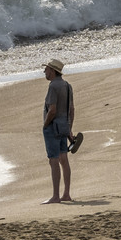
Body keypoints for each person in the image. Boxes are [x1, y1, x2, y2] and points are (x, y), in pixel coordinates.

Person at [41, 58, 76, 203]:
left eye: (47, 69)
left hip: (53, 127)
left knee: (53, 160)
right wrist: (69, 128)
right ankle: (66, 194)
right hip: (63, 126)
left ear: (53, 71)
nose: (44, 71)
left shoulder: (53, 87)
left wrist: (45, 124)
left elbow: (52, 109)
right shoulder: (67, 86)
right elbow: (71, 109)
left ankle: (56, 196)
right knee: (64, 159)